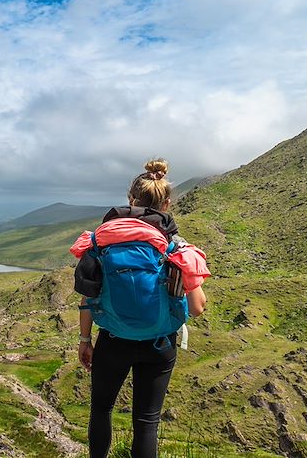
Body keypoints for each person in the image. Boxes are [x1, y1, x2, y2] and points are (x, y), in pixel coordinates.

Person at [70, 159, 209, 458]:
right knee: (146, 422)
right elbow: (197, 308)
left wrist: (84, 340)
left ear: (130, 200)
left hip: (113, 342)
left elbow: (87, 298)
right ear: (167, 203)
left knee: (101, 410)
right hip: (159, 345)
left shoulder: (100, 242)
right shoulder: (175, 246)